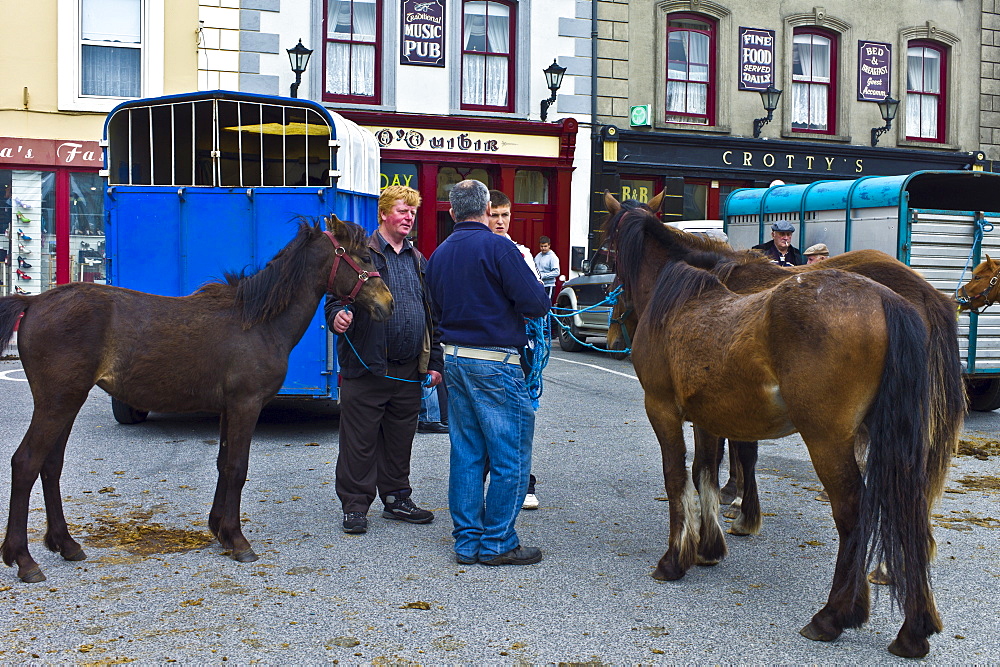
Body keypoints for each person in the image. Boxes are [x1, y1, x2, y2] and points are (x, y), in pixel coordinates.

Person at [425, 179, 551, 566]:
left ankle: (467, 542)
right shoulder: (500, 248)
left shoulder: (439, 254)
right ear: (485, 209)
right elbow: (537, 304)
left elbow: (435, 310)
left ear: (452, 211)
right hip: (496, 362)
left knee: (466, 453)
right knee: (510, 455)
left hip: (455, 359)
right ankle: (498, 542)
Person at [330, 184, 444, 535]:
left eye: (413, 211)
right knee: (359, 442)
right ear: (383, 214)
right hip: (366, 367)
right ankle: (355, 506)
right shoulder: (362, 254)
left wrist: (435, 360)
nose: (409, 217)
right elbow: (335, 299)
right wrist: (337, 316)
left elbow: (431, 313)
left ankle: (396, 498)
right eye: (401, 210)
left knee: (399, 440)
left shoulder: (418, 259)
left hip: (408, 369)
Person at [488, 189, 542, 511]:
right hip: (491, 344)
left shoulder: (522, 254)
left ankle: (525, 482)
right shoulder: (482, 250)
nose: (500, 221)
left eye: (505, 215)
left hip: (519, 347)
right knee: (489, 419)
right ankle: (496, 481)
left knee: (521, 415)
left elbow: (536, 299)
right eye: (494, 215)